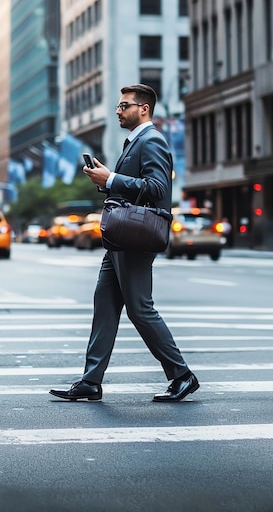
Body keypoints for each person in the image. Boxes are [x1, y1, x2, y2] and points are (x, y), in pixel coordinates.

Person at [50, 84, 199, 402]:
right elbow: (134, 187)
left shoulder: (152, 140)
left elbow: (157, 188)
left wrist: (112, 179)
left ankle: (182, 375)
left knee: (140, 309)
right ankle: (91, 381)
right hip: (120, 238)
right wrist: (108, 181)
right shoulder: (134, 143)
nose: (118, 111)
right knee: (104, 305)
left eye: (124, 106)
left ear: (143, 109)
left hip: (135, 238)